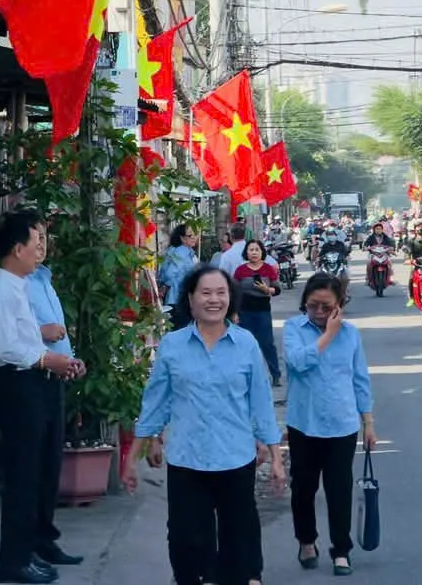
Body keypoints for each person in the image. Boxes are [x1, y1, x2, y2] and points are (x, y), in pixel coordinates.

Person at [123, 265, 286, 585]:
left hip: (235, 459)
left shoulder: (246, 345)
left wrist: (276, 457)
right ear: (191, 299)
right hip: (187, 460)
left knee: (236, 546)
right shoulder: (172, 346)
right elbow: (155, 404)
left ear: (231, 298)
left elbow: (261, 405)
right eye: (206, 293)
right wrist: (133, 456)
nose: (214, 300)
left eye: (221, 293)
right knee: (185, 545)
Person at [0, 211, 81, 584]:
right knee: (22, 476)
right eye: (36, 241)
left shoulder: (18, 286)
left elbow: (26, 339)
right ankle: (12, 560)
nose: (41, 248)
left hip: (33, 381)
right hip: (17, 384)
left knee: (35, 473)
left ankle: (25, 552)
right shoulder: (2, 288)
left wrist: (57, 361)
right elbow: (6, 346)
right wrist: (44, 358)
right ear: (17, 248)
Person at [283, 274, 375, 577]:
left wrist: (368, 422)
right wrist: (326, 336)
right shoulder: (293, 329)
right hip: (304, 423)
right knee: (304, 487)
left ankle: (341, 550)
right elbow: (297, 362)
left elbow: (360, 379)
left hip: (342, 423)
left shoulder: (351, 335)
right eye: (313, 306)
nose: (320, 313)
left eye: (327, 307)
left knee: (339, 489)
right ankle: (306, 541)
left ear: (339, 306)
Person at [233, 239, 284, 386]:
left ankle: (276, 375)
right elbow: (234, 293)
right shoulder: (240, 271)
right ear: (246, 253)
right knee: (245, 345)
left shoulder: (268, 269)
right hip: (244, 312)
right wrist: (234, 313)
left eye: (257, 249)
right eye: (251, 250)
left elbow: (277, 289)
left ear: (262, 252)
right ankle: (245, 376)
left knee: (267, 344)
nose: (254, 252)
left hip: (263, 312)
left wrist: (267, 290)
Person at [159, 224, 199, 307]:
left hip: (177, 297)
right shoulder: (181, 251)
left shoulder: (179, 250)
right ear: (182, 238)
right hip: (177, 297)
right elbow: (169, 274)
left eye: (195, 234)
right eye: (190, 235)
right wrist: (166, 286)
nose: (194, 237)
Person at [363, 221, 396, 287]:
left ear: (382, 230)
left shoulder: (385, 237)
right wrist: (365, 247)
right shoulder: (371, 237)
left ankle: (390, 278)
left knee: (389, 263)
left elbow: (390, 243)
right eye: (377, 229)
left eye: (380, 229)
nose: (378, 230)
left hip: (384, 254)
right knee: (368, 263)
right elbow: (366, 244)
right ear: (374, 230)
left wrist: (391, 248)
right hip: (373, 254)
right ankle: (368, 279)